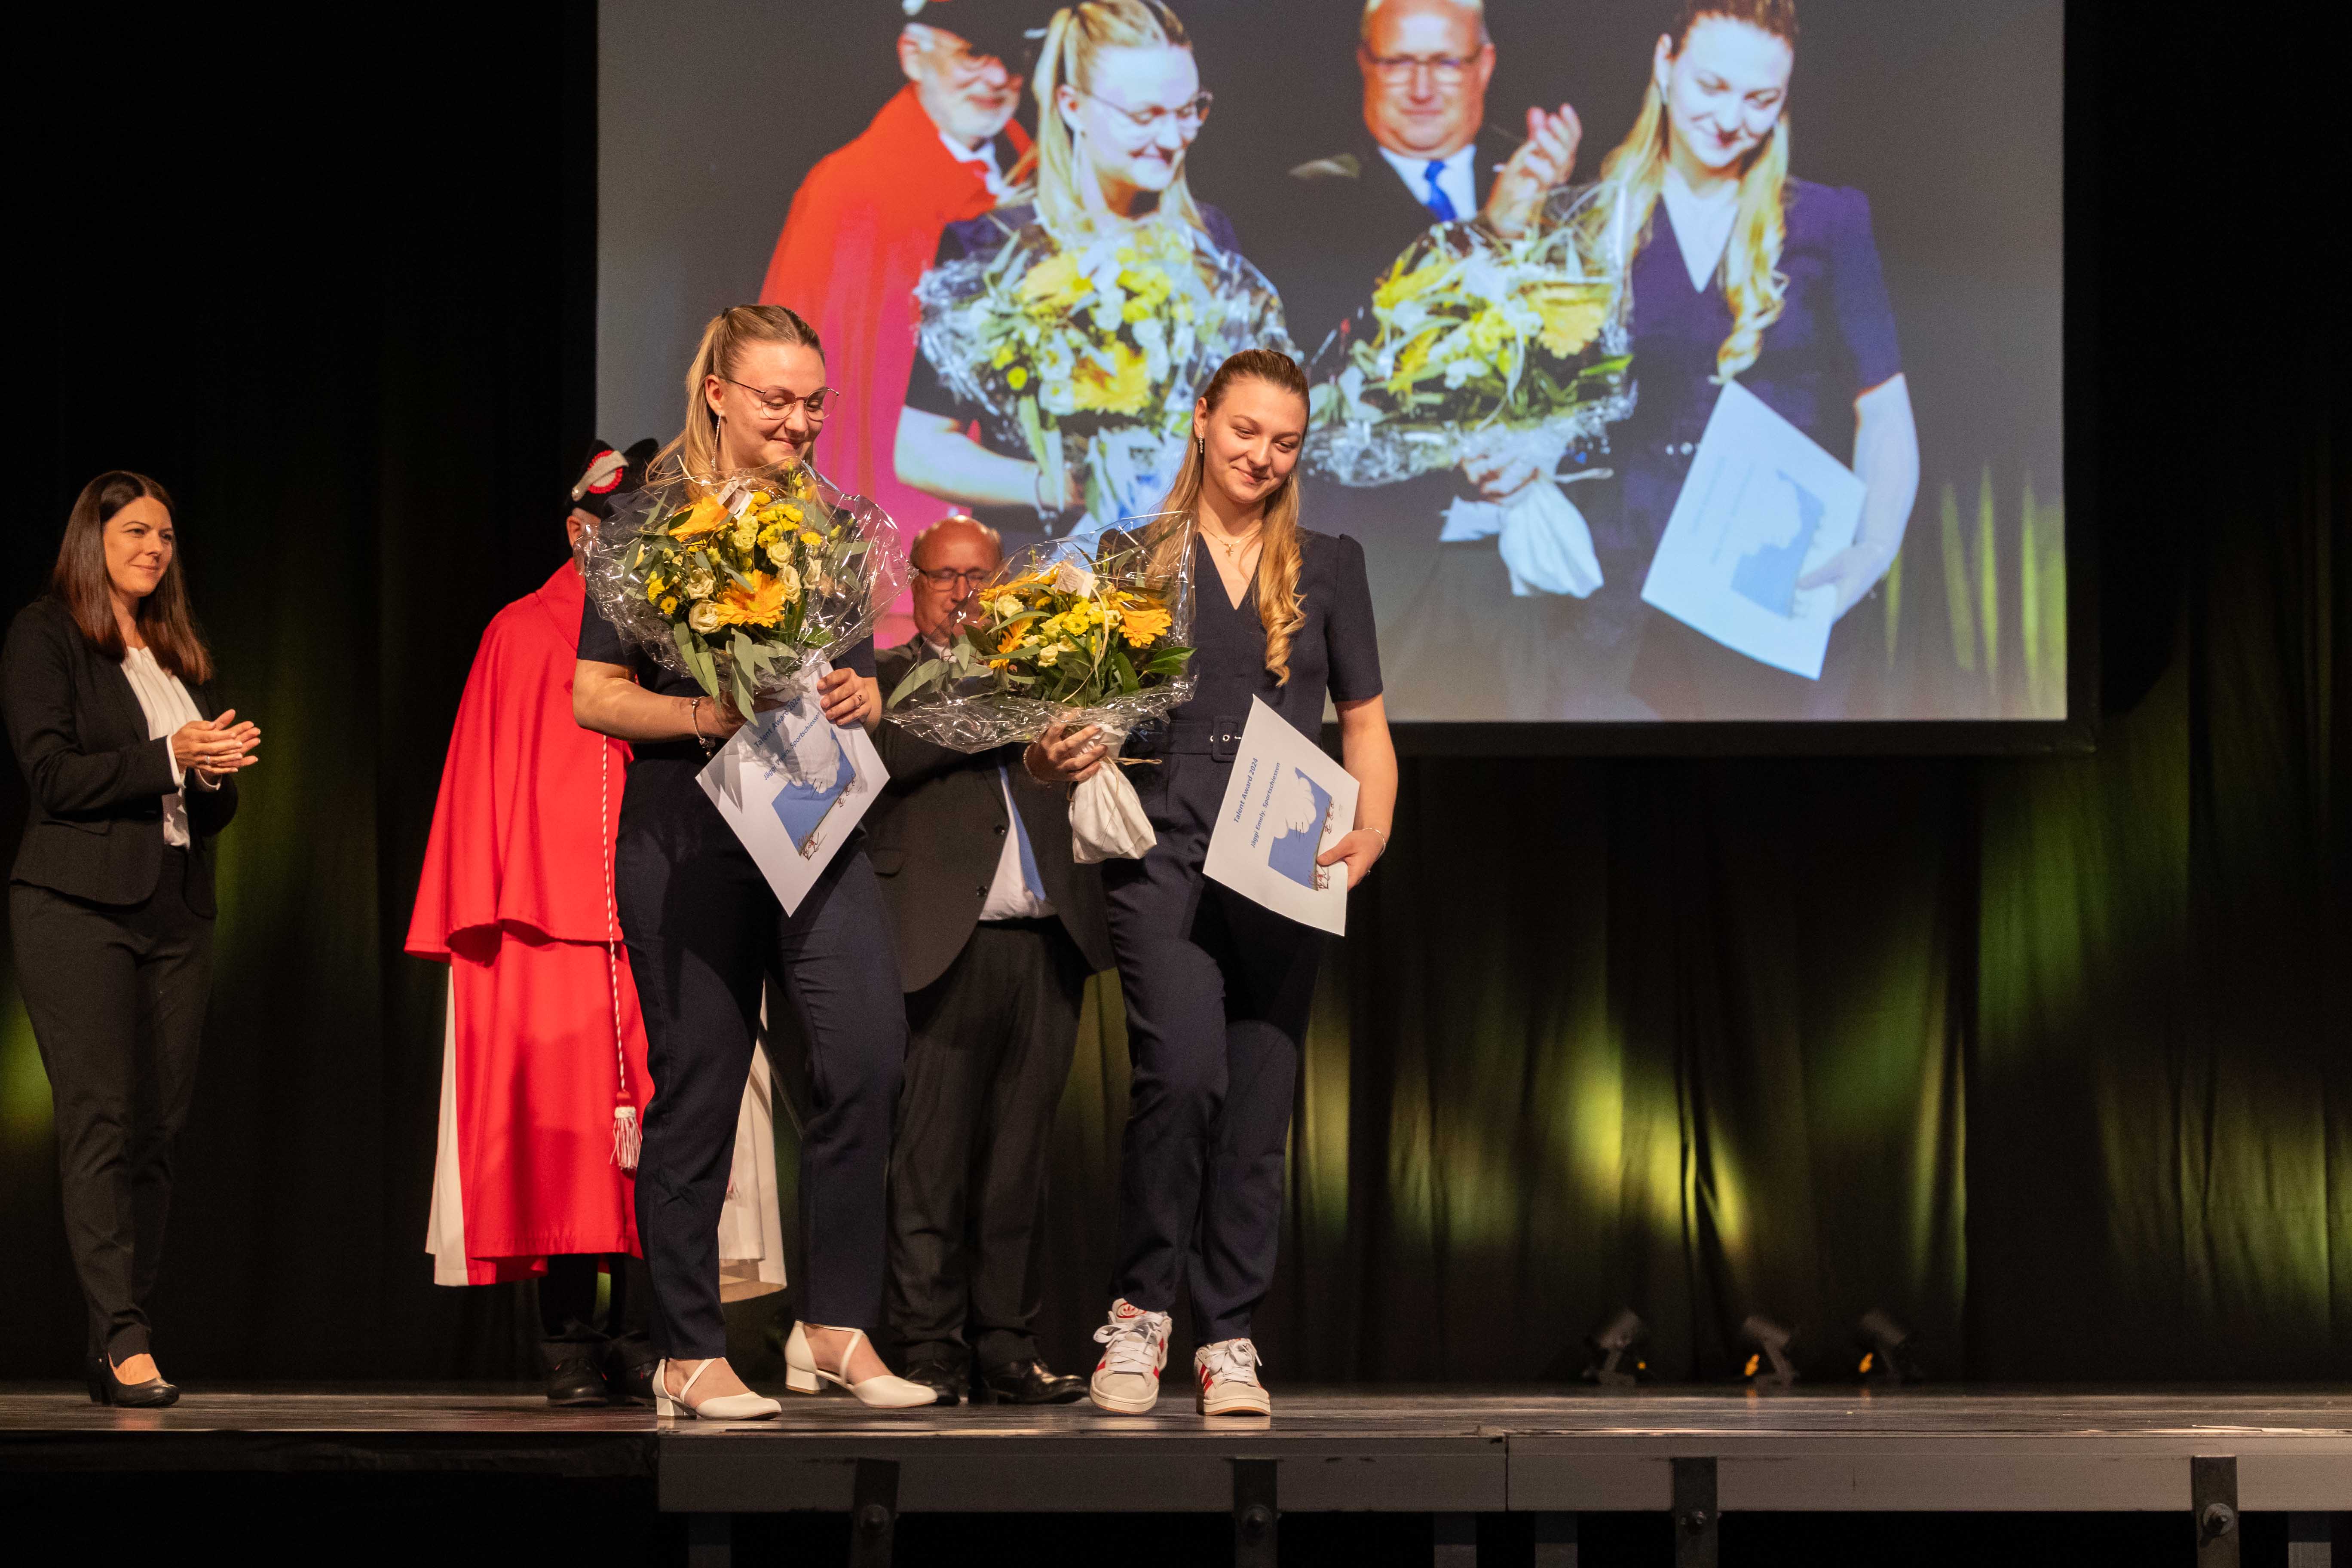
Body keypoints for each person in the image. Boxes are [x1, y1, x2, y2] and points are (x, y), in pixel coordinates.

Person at [573, 304, 932, 1417]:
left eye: (815, 402)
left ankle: (834, 1325)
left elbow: (860, 686)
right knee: (703, 1088)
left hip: (812, 821)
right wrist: (702, 714)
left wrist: (866, 693)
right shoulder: (641, 526)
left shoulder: (836, 526)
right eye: (777, 399)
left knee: (868, 1055)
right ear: (719, 394)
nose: (800, 421)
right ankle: (687, 1349)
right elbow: (594, 696)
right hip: (688, 829)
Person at [1026, 349, 1395, 1418]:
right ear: (1199, 421)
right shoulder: (1127, 557)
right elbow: (1059, 734)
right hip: (1164, 851)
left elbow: (1364, 727)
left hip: (1282, 853)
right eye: (1244, 433)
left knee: (1256, 1110)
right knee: (1180, 1078)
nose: (1262, 458)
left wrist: (1369, 827)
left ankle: (1226, 1336)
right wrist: (1052, 758)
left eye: (1284, 443)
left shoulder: (1329, 563)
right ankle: (1140, 1316)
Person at [407, 438, 789, 1407]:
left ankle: (650, 1337)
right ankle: (572, 1342)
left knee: (670, 1128)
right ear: (582, 529)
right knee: (567, 1151)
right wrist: (476, 918)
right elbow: (479, 790)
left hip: (667, 906)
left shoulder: (694, 624)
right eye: (618, 533)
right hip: (547, 926)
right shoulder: (519, 632)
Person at [1489, 0, 1918, 717]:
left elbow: (1883, 411)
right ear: (1664, 64)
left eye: (1760, 100)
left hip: (1772, 591)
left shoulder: (1829, 220)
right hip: (1612, 604)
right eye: (1711, 87)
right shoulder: (1583, 220)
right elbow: (1527, 398)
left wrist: (1872, 550)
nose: (1730, 119)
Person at [3, 472, 260, 1407]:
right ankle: (122, 1335)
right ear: (94, 538)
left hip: (173, 911)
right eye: (136, 531)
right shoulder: (47, 636)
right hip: (77, 907)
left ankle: (125, 1327)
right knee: (102, 1121)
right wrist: (171, 757)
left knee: (160, 1131)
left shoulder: (175, 655)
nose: (154, 547)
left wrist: (217, 772)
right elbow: (52, 777)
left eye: (165, 536)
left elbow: (205, 811)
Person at [867, 514, 1114, 1406]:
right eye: (948, 578)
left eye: (983, 578)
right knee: (927, 1162)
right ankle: (930, 1348)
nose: (968, 595)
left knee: (1018, 1165)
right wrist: (988, 694)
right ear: (917, 586)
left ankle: (1006, 1346)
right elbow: (883, 757)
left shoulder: (1048, 675)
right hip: (942, 945)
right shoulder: (887, 678)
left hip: (1048, 941)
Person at [896, 0, 1290, 546]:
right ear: (1073, 105)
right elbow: (919, 450)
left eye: (1188, 110)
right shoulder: (995, 246)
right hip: (1040, 588)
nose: (1174, 137)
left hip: (1179, 562)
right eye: (1145, 115)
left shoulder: (1209, 239)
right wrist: (1073, 485)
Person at [758, 0, 1046, 542]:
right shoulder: (848, 192)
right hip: (901, 532)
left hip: (1020, 524)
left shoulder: (1046, 181)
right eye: (975, 52)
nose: (997, 77)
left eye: (1012, 59)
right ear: (913, 55)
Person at [1269, 0, 1580, 357]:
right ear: (1365, 63)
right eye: (1398, 63)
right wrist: (1488, 232)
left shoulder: (1536, 174)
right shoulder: (1307, 199)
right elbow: (1341, 347)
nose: (1421, 90)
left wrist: (1561, 210)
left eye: (1446, 63)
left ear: (1484, 65)